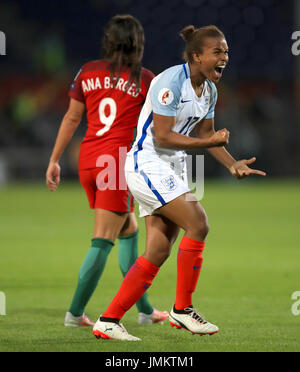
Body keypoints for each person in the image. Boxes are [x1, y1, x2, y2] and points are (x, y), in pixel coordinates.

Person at [92, 24, 266, 341]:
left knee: (158, 249)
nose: (224, 57)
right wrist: (208, 142)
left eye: (226, 51)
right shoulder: (170, 82)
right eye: (218, 51)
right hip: (148, 163)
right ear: (196, 56)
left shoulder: (210, 90)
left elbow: (205, 136)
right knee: (199, 223)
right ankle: (183, 310)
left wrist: (231, 163)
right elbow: (163, 135)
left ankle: (109, 320)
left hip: (171, 168)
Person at [45, 14, 169, 327]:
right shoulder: (145, 79)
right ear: (138, 43)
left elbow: (72, 118)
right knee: (103, 238)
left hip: (87, 158)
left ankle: (144, 310)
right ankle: (75, 314)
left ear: (108, 42)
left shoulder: (87, 71)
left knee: (128, 229)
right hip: (115, 164)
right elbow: (158, 129)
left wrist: (55, 159)